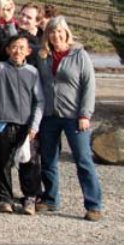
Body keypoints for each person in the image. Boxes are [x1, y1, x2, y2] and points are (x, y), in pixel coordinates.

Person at [36, 17, 103, 221]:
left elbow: (88, 86)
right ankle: (51, 198)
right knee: (48, 159)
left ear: (66, 33)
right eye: (51, 32)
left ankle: (93, 205)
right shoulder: (43, 56)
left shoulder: (79, 55)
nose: (56, 36)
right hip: (49, 116)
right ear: (47, 35)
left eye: (59, 32)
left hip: (74, 117)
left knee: (83, 160)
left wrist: (85, 114)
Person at [0, 34, 43, 214]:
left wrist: (34, 126)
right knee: (2, 162)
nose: (17, 51)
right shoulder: (0, 69)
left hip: (25, 125)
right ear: (7, 50)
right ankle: (5, 197)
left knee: (29, 162)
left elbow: (39, 101)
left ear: (28, 51)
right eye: (14, 47)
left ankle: (30, 198)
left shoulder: (32, 73)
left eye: (21, 47)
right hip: (3, 123)